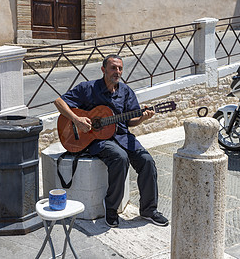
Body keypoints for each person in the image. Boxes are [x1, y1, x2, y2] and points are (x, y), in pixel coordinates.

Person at [54, 54, 169, 228]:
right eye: (113, 68)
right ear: (103, 69)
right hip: (96, 140)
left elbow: (131, 121)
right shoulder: (88, 88)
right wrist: (77, 120)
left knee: (147, 161)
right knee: (119, 158)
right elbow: (59, 102)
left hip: (123, 136)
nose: (117, 71)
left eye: (120, 68)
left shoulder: (126, 92)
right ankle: (112, 209)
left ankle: (149, 210)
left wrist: (143, 118)